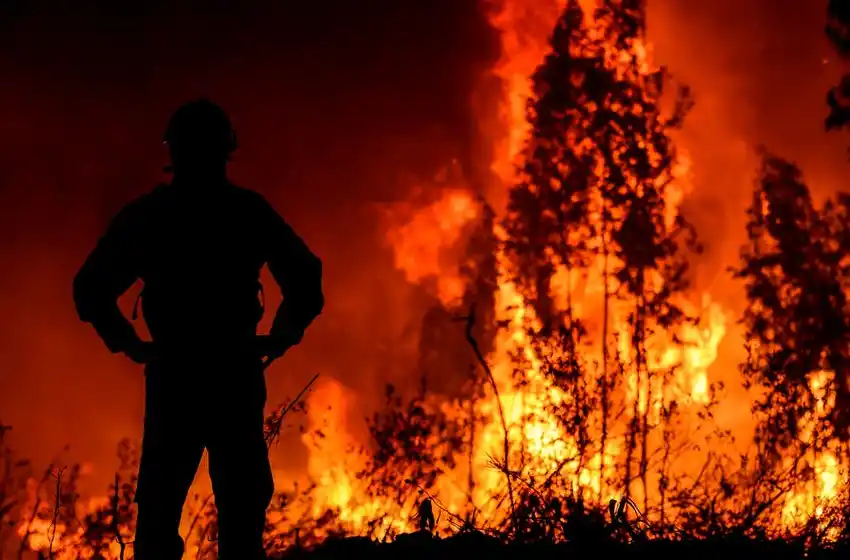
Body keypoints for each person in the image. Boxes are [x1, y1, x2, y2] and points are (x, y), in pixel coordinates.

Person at [72, 99, 324, 560]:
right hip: (233, 374)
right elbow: (306, 278)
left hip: (177, 376)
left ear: (174, 152)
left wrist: (129, 344)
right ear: (226, 151)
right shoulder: (246, 211)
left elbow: (90, 289)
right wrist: (281, 337)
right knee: (240, 511)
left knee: (162, 510)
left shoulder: (151, 217)